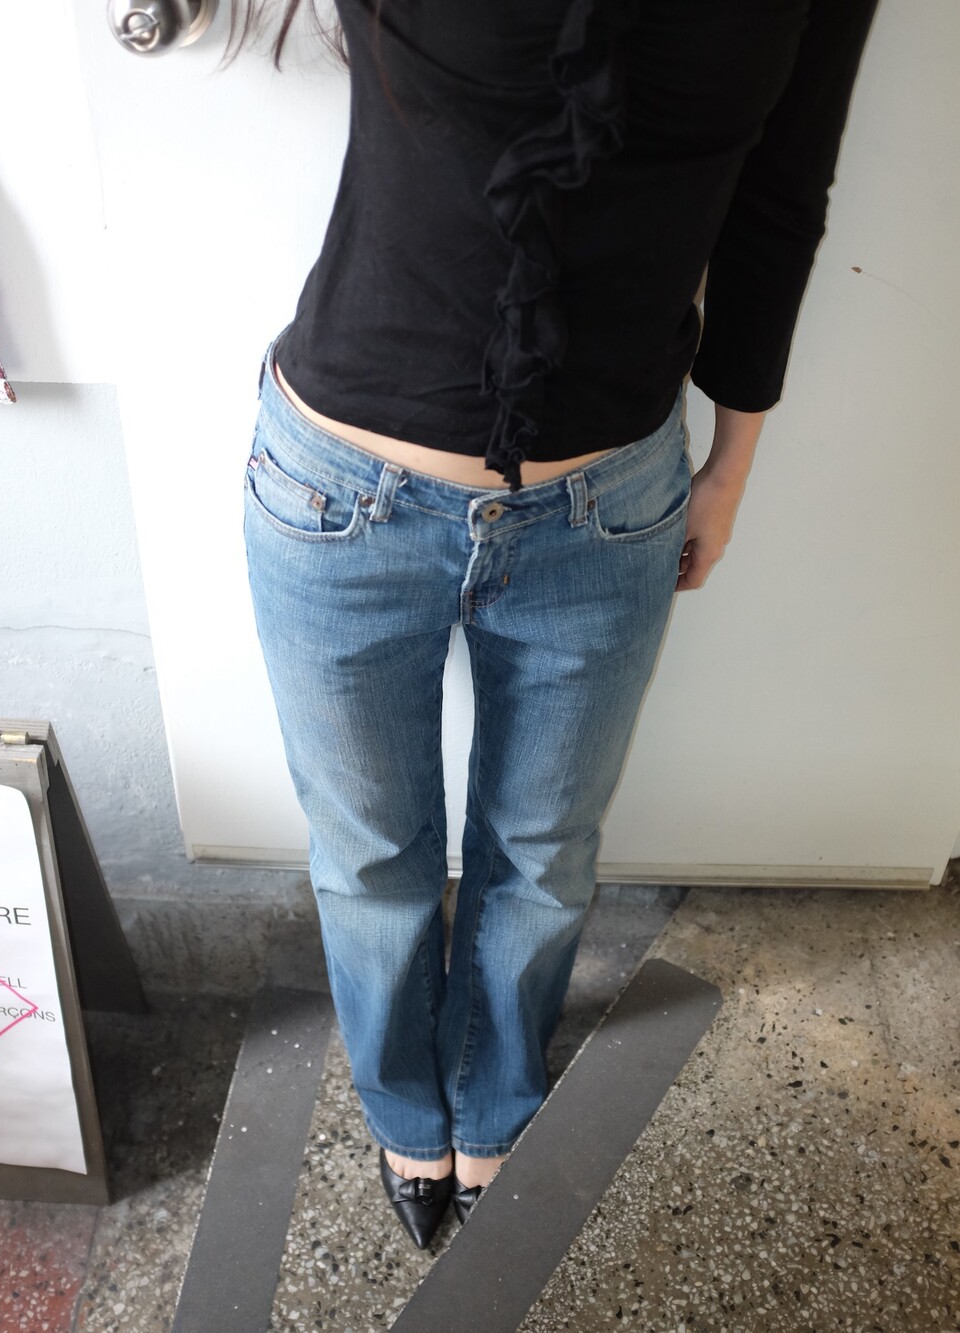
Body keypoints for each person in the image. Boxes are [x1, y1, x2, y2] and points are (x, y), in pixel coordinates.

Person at [240, 0, 878, 1249]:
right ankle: (402, 1109)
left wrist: (732, 466)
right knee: (369, 851)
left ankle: (495, 1100)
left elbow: (781, 192)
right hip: (337, 494)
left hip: (608, 506)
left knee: (542, 849)